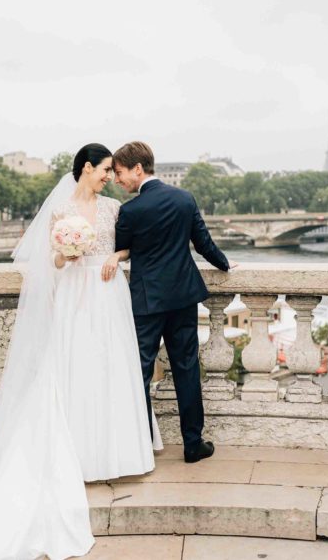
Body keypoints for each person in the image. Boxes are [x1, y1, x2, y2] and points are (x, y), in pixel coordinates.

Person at [0, 143, 158, 560]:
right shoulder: (60, 212)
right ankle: (81, 458)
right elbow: (53, 265)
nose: (111, 176)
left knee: (109, 369)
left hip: (108, 293)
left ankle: (115, 454)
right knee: (74, 369)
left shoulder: (114, 210)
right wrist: (65, 252)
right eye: (106, 169)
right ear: (87, 168)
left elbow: (130, 246)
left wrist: (115, 254)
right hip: (74, 297)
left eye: (113, 171)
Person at [112, 141, 234, 464]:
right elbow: (204, 243)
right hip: (182, 297)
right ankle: (193, 444)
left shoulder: (130, 211)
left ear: (138, 169)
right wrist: (225, 264)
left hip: (147, 302)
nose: (117, 180)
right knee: (187, 369)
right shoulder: (184, 199)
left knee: (138, 372)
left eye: (120, 173)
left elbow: (121, 250)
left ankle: (138, 446)